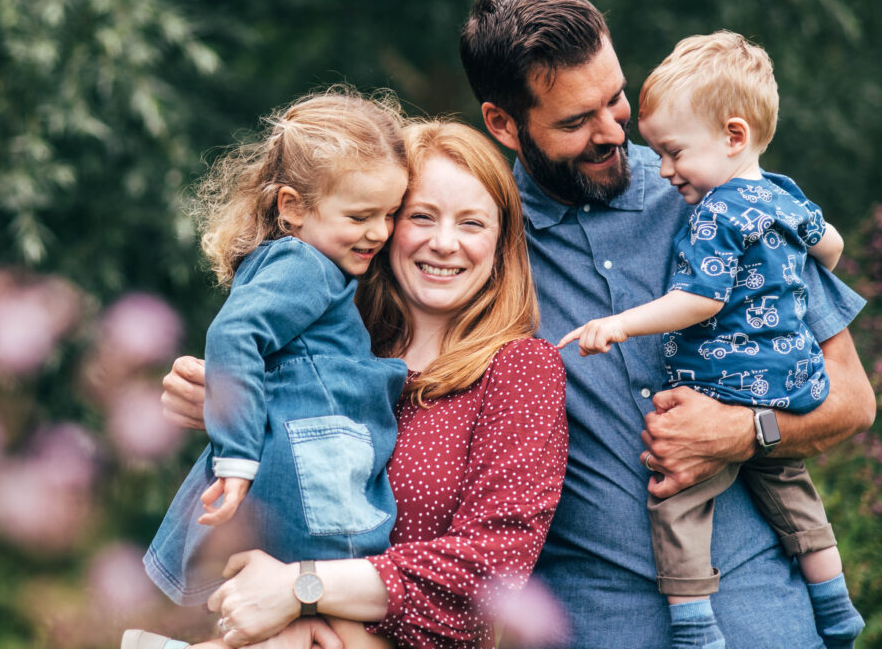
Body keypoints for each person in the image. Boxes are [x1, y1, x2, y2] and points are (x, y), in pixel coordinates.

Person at [461, 0, 874, 647]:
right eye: (574, 121)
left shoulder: (723, 194)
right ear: (503, 123)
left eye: (615, 98)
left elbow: (854, 400)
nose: (611, 131)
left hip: (762, 611)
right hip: (589, 622)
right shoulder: (478, 243)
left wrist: (744, 431)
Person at [144, 121, 568, 648]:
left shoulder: (519, 368)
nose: (443, 242)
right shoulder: (332, 338)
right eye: (420, 216)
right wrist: (224, 403)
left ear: (502, 242)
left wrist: (304, 587)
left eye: (472, 223)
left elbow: (492, 567)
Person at [556, 30, 864, 648]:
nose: (662, 167)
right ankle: (836, 604)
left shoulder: (711, 211)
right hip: (788, 382)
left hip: (725, 395)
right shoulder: (782, 196)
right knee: (796, 498)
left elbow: (702, 299)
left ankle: (695, 625)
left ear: (732, 136)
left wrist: (622, 325)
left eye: (672, 152)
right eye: (573, 118)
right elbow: (829, 245)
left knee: (678, 499)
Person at [139, 87, 410, 617]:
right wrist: (235, 458)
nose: (379, 232)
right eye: (359, 217)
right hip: (303, 497)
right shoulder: (306, 265)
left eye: (391, 214)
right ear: (293, 207)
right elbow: (233, 337)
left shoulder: (301, 262)